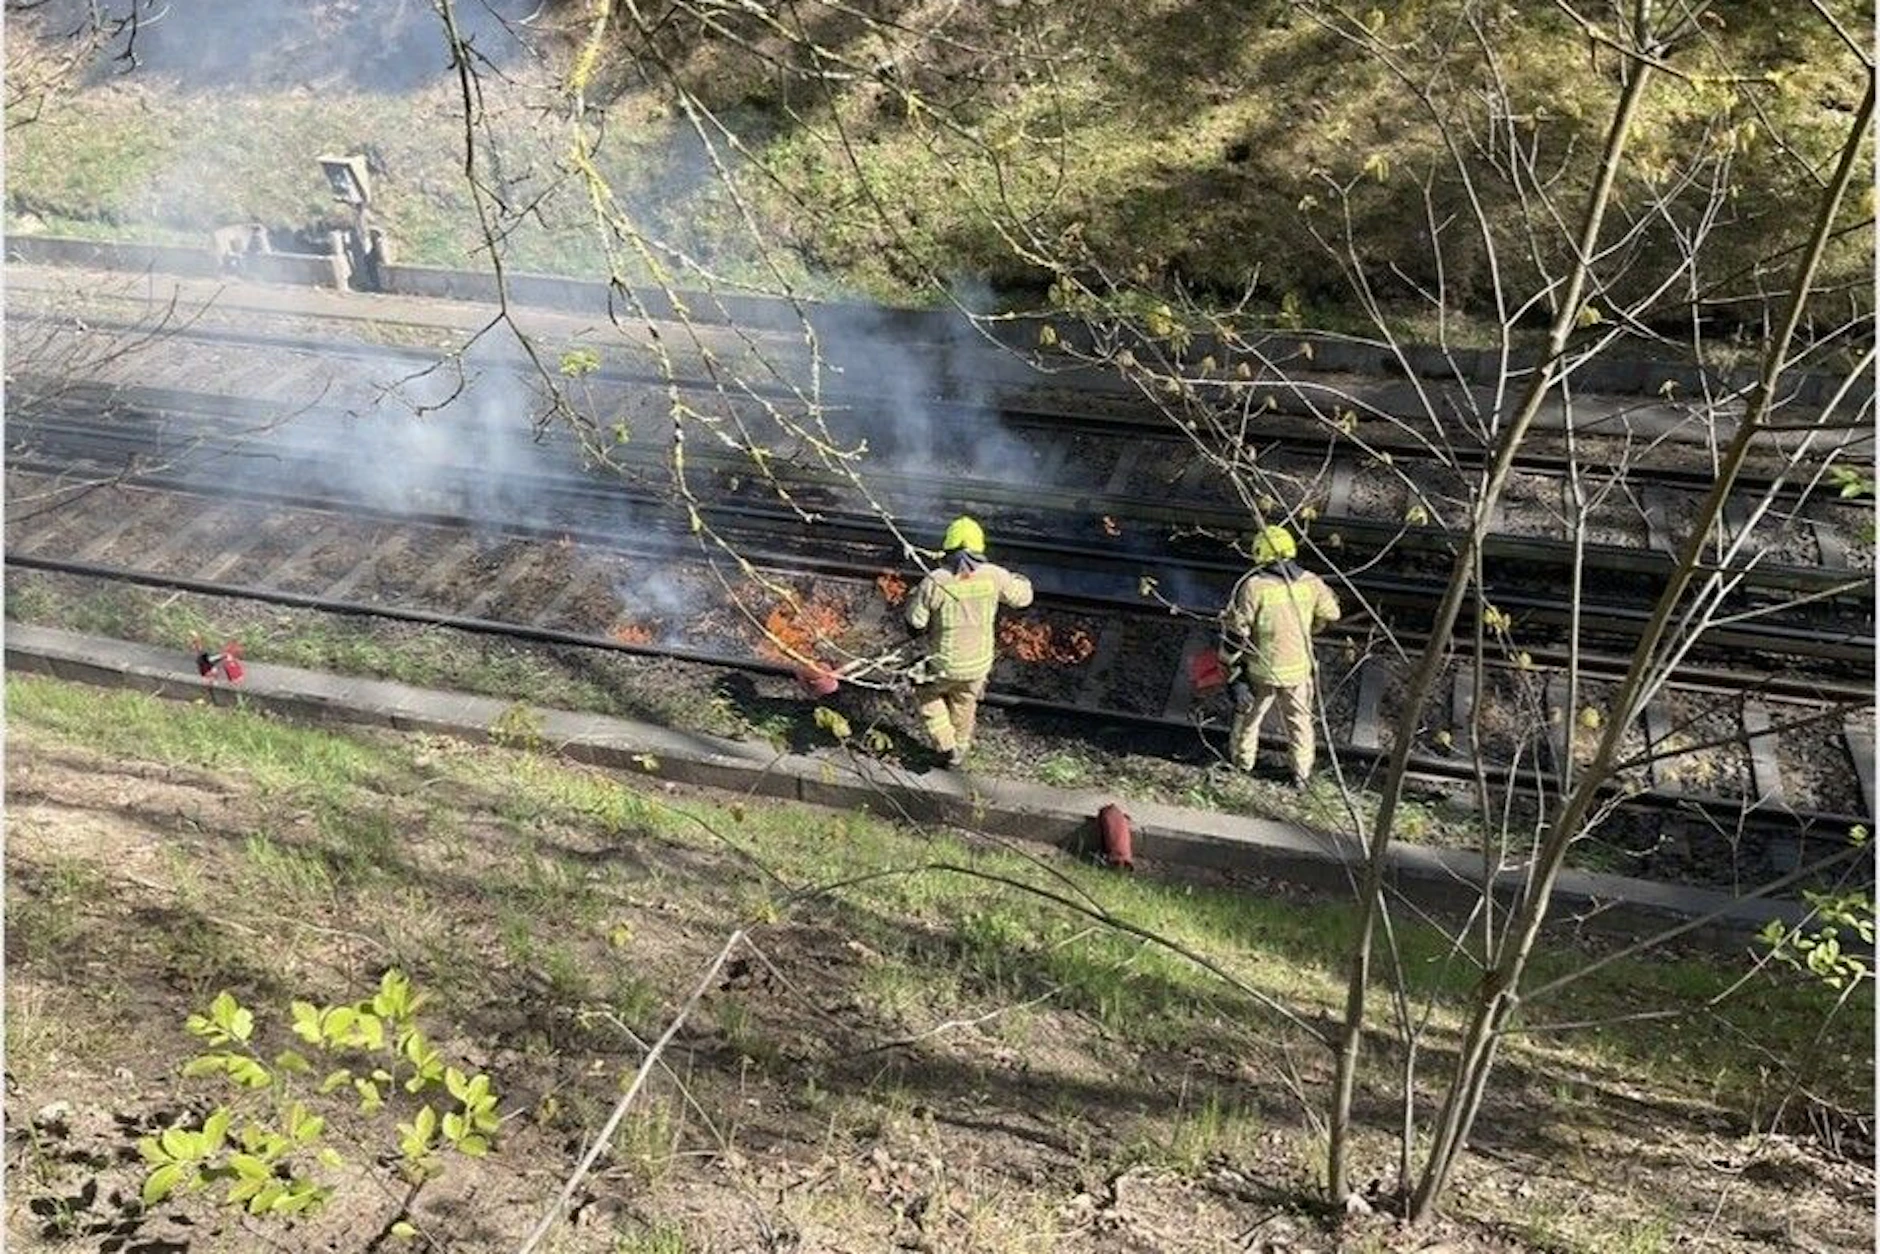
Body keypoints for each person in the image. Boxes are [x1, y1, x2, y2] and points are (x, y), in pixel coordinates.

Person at [906, 516, 1034, 767]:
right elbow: (1023, 598)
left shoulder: (937, 580)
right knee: (965, 702)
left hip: (944, 663)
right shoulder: (994, 576)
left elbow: (915, 623)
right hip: (979, 663)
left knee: (926, 694)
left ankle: (946, 744)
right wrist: (1020, 580)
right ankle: (961, 747)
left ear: (948, 546)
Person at [1220, 524, 1341, 787]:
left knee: (1248, 720)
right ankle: (1301, 776)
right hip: (1298, 671)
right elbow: (1332, 614)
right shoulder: (1311, 582)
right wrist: (1313, 625)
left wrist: (1232, 670)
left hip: (1260, 671)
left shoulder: (1254, 586)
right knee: (1299, 724)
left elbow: (1238, 632)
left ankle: (1243, 766)